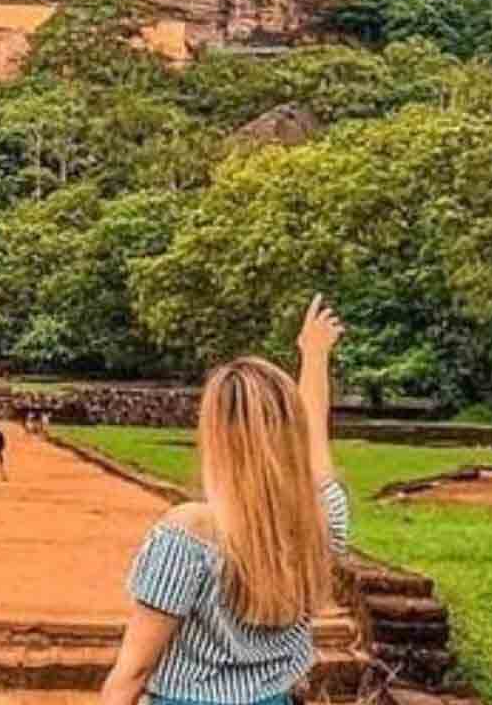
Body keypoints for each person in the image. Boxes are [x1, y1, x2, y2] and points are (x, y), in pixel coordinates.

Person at [98, 297, 350, 705]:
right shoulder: (322, 519)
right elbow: (316, 442)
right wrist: (315, 356)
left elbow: (132, 673)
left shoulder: (190, 533)